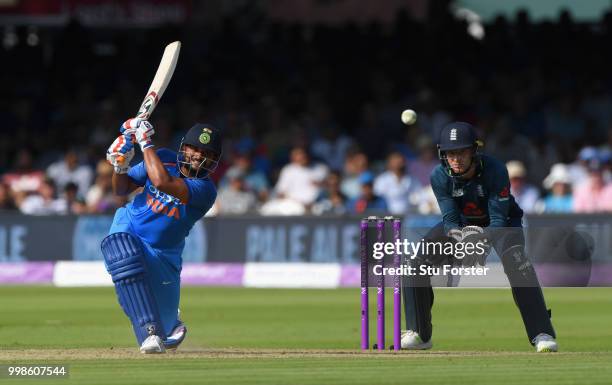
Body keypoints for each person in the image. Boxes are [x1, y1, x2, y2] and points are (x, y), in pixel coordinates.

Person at [401, 122, 558, 353]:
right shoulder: (439, 176)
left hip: (503, 223)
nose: (455, 159)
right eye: (450, 153)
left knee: (517, 262)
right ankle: (419, 333)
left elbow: (497, 220)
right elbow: (451, 219)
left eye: (461, 152)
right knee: (416, 263)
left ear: (475, 151)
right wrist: (461, 241)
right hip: (462, 223)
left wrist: (478, 242)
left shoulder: (495, 170)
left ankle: (541, 333)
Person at [102, 118, 221, 354]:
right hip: (130, 226)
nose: (198, 155)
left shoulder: (206, 191)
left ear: (214, 160)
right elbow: (121, 189)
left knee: (166, 331)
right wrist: (120, 165)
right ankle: (149, 333)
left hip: (163, 254)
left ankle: (167, 325)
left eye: (206, 152)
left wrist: (144, 142)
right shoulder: (163, 157)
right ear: (184, 147)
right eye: (194, 148)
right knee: (122, 254)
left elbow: (161, 182)